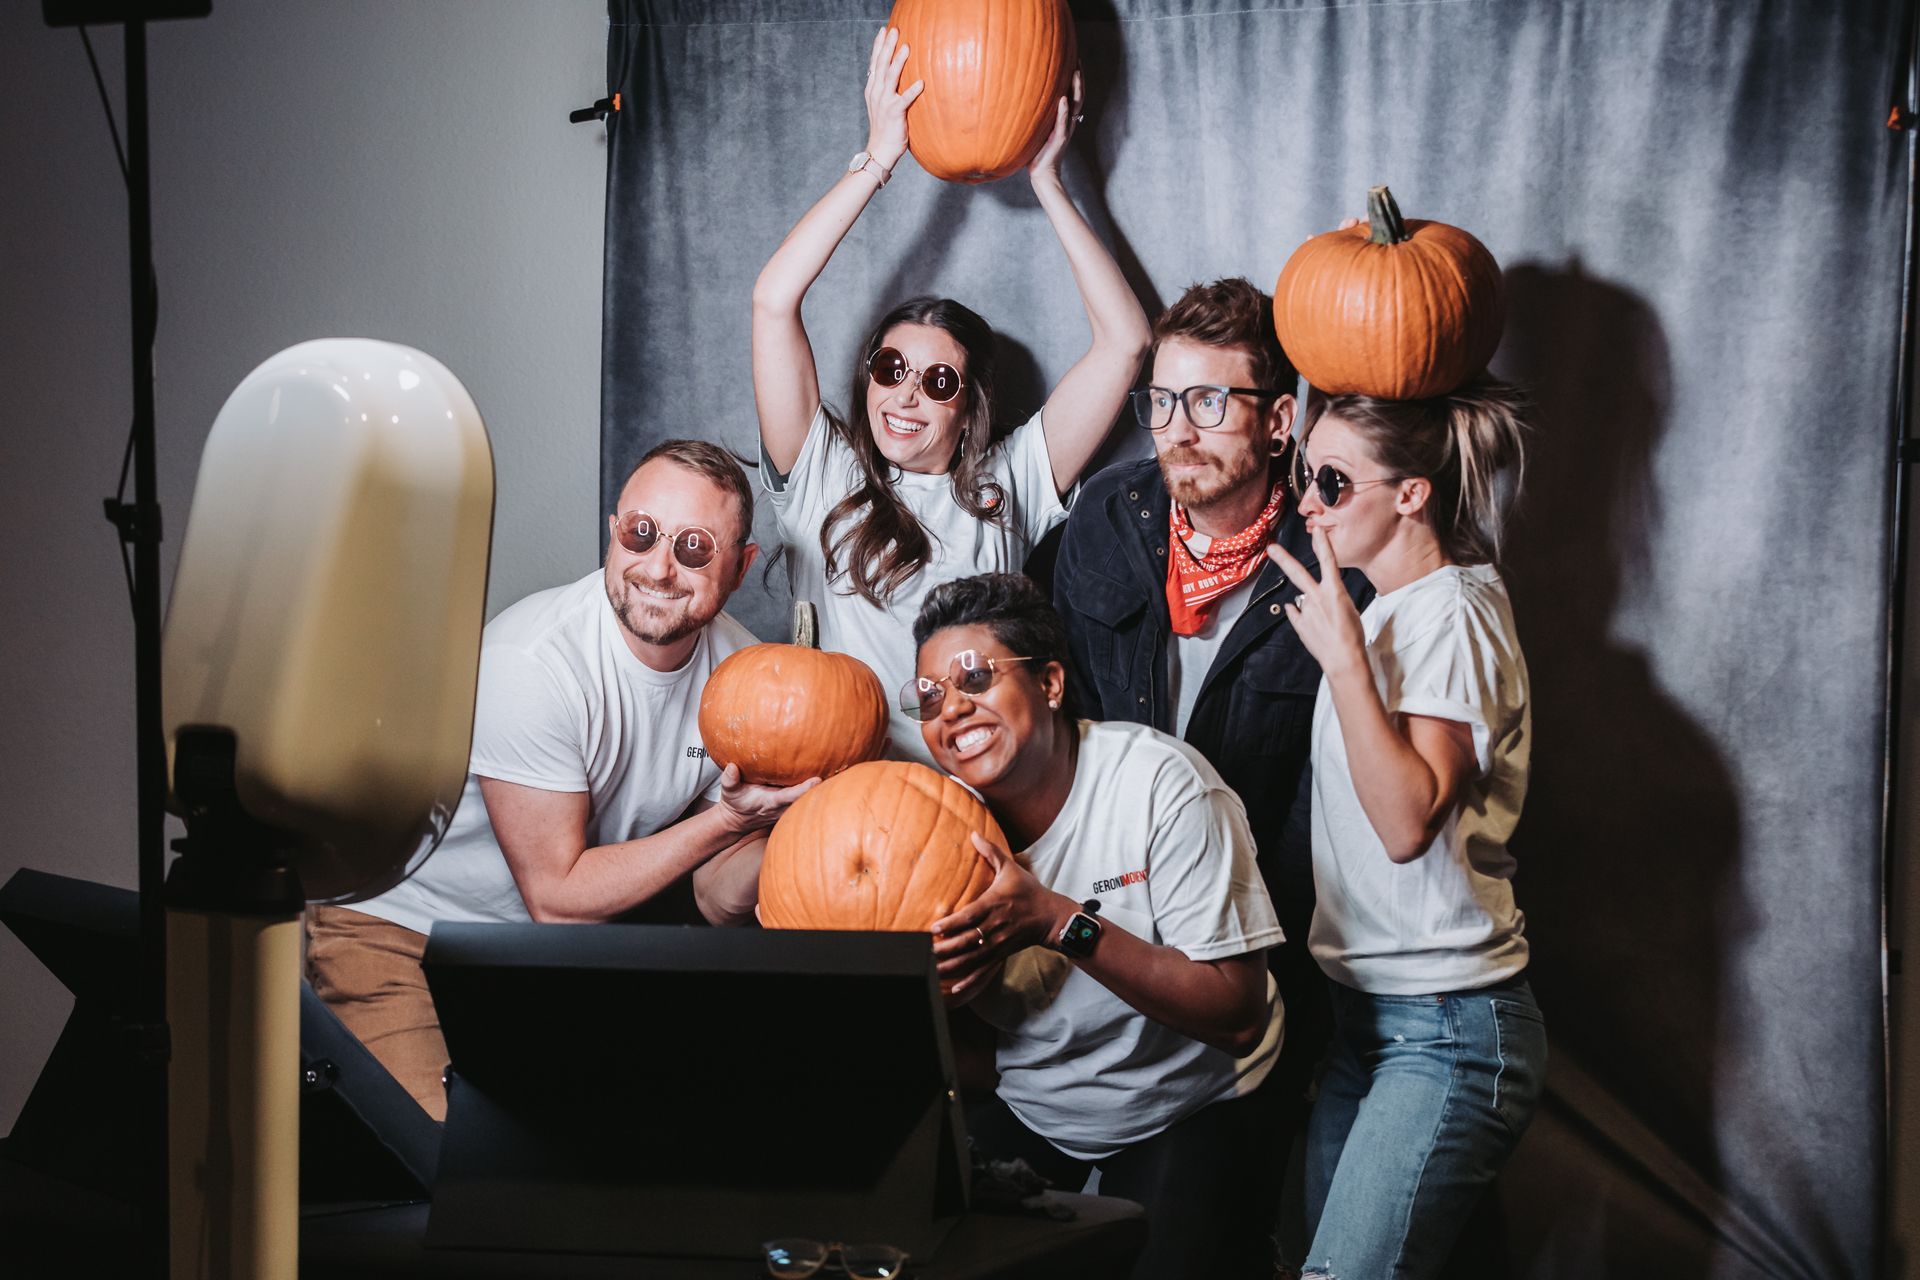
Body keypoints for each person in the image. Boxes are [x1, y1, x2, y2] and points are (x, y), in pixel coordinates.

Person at [306, 440, 816, 1119]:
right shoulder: (533, 663)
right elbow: (556, 895)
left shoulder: (743, 677)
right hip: (403, 933)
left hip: (541, 955)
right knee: (437, 1156)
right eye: (641, 533)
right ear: (613, 532)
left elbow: (715, 895)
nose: (659, 568)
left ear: (741, 565)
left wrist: (798, 822)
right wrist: (728, 820)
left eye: (695, 547)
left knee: (602, 1147)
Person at [751, 26, 1149, 765]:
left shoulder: (1010, 481)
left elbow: (1126, 342)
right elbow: (774, 301)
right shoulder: (823, 476)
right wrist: (878, 158)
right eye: (890, 368)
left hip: (983, 786)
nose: (905, 396)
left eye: (938, 382)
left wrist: (1047, 181)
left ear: (969, 408)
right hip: (849, 789)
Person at [1050, 277, 1371, 1141]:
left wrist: (1251, 955)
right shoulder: (1105, 516)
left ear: (1279, 421)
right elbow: (1068, 720)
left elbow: (1325, 810)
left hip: (1257, 938)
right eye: (1161, 401)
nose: (1177, 431)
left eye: (1209, 402)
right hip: (1105, 917)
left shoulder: (1338, 563)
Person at [909, 572, 1285, 1280]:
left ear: (1050, 684)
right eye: (929, 697)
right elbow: (964, 1044)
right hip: (1037, 1104)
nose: (952, 708)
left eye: (976, 678)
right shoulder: (922, 829)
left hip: (1186, 1096)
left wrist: (1058, 921)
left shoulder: (1161, 786)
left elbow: (1238, 1017)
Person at [1264, 382, 1547, 1280]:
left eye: (1334, 482)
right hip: (1366, 1022)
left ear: (1412, 494)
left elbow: (1405, 822)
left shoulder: (1451, 611)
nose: (1308, 503)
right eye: (1306, 475)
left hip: (1447, 1027)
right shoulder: (1388, 609)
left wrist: (1346, 661)